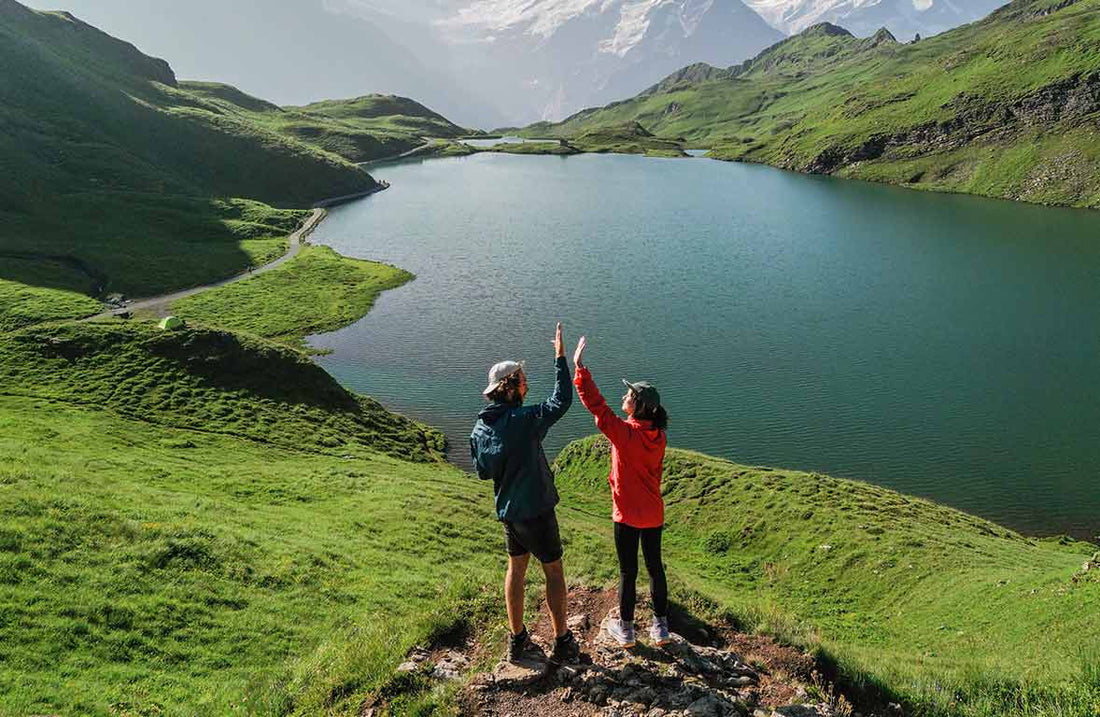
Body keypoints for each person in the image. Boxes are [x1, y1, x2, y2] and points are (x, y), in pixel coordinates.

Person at [470, 322, 581, 664]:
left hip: (510, 513)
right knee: (554, 572)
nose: (527, 386)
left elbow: (482, 470)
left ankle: (517, 640)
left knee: (515, 570)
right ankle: (562, 641)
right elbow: (560, 401)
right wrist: (560, 357)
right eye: (523, 381)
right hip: (536, 511)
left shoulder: (480, 427)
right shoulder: (523, 420)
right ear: (510, 387)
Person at [572, 335, 670, 648]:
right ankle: (661, 628)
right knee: (655, 567)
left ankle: (626, 630)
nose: (624, 396)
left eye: (628, 395)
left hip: (627, 512)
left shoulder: (626, 434)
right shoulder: (658, 436)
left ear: (637, 406)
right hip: (653, 511)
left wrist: (580, 369)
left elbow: (597, 408)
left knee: (628, 570)